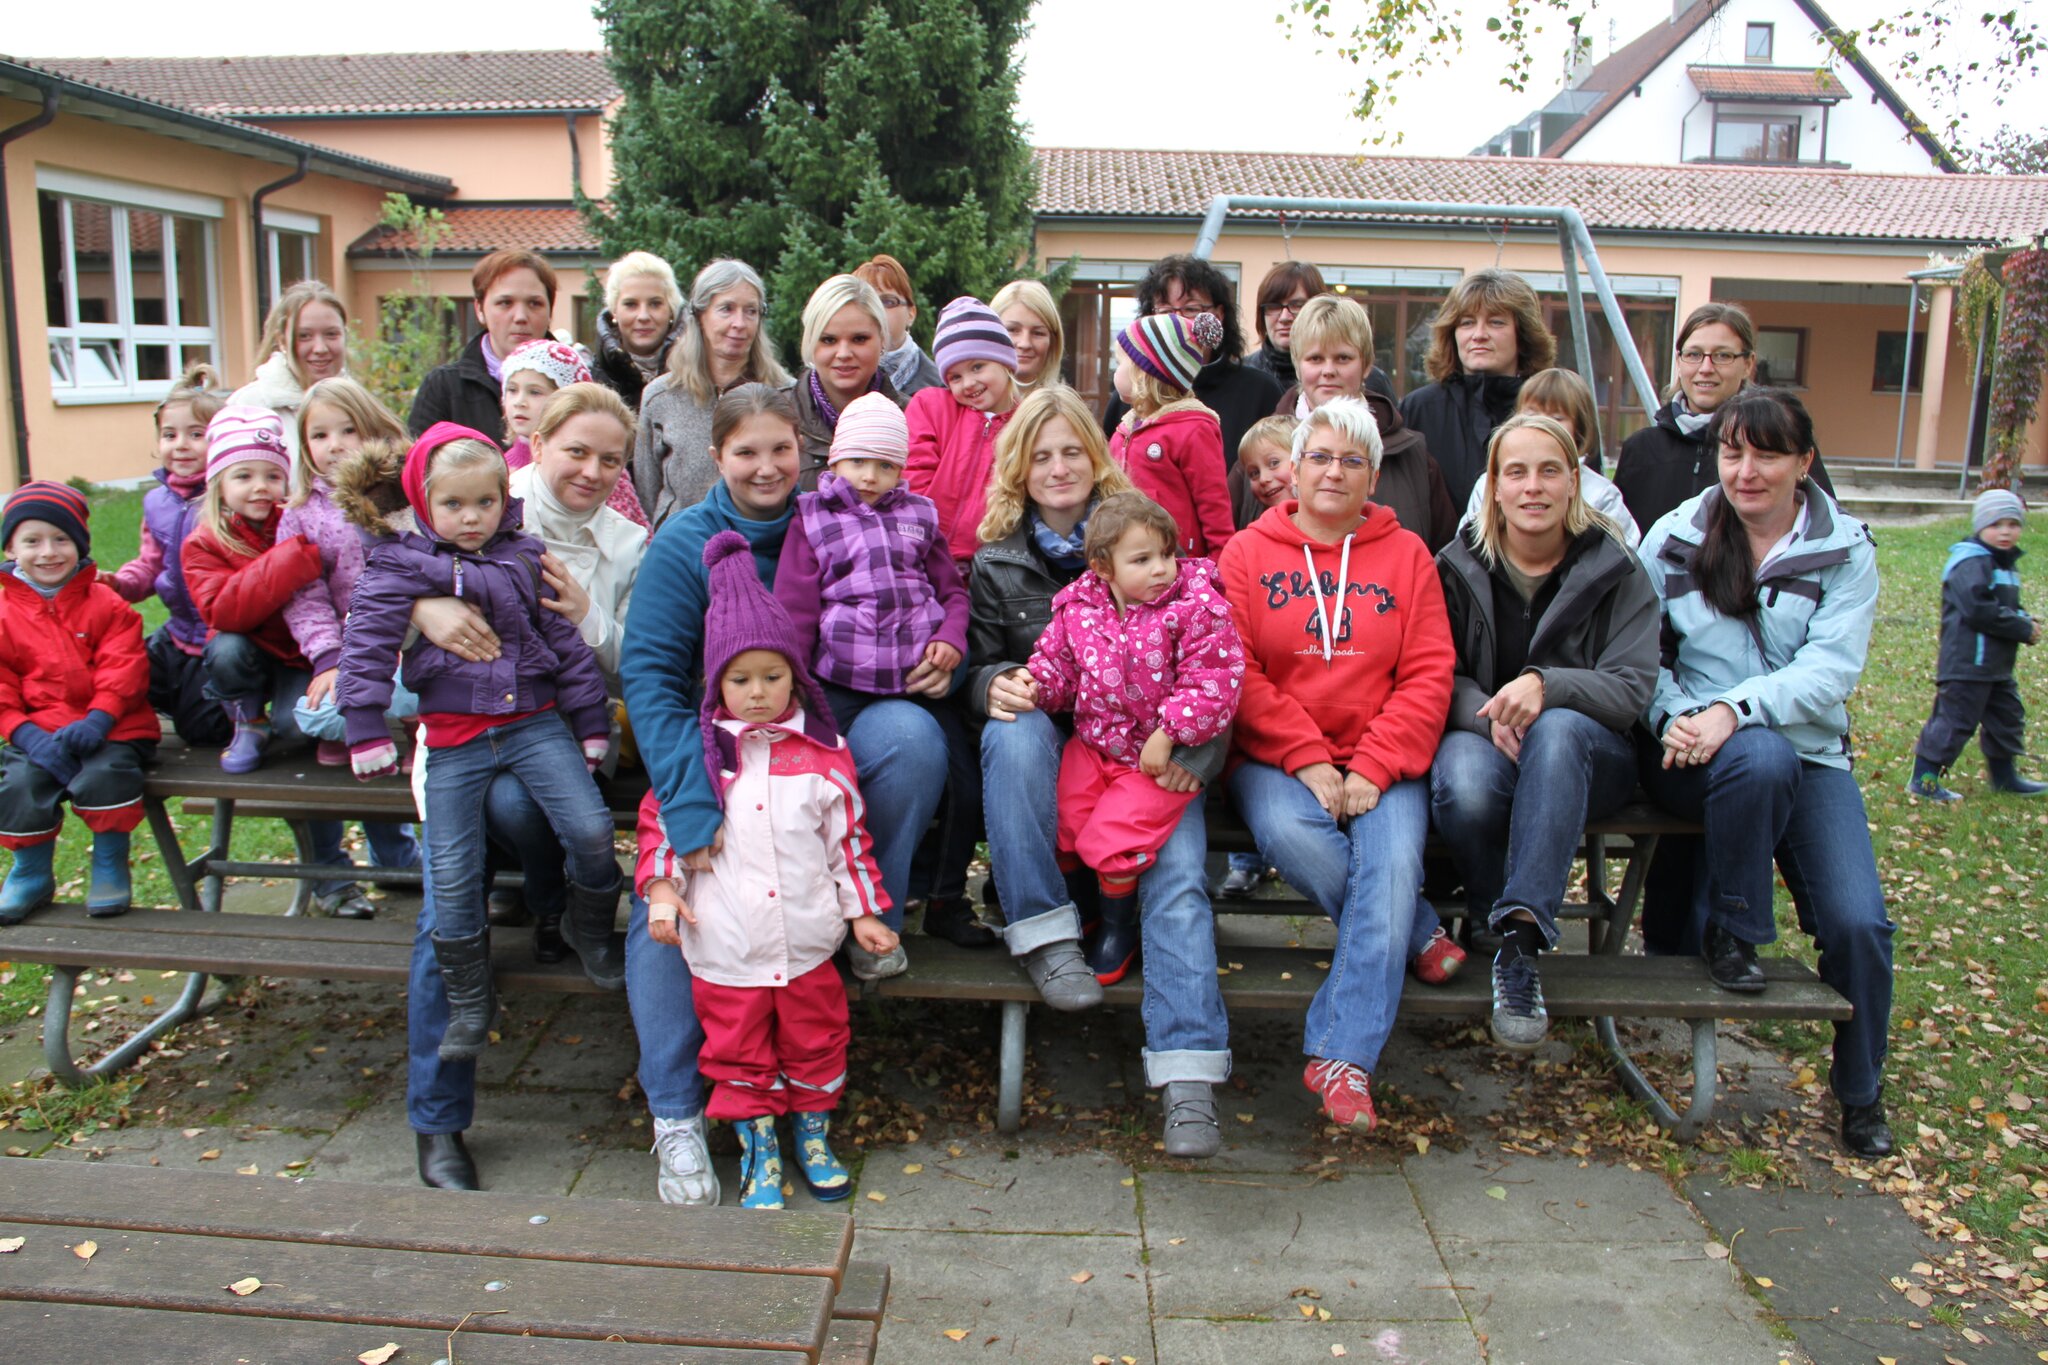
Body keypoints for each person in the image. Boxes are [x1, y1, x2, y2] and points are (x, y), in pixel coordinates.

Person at [391, 384, 651, 1195]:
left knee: (525, 806)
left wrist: (588, 620)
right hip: (462, 742)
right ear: (535, 443)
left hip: (561, 736)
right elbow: (382, 591)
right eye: (577, 450)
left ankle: (555, 909)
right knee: (444, 909)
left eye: (611, 459)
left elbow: (633, 666)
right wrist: (427, 607)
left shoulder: (627, 541)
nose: (592, 470)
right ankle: (439, 1122)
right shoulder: (476, 505)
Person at [969, 385, 1232, 1157]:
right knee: (1009, 736)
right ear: (1018, 467)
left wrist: (1189, 746)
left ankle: (1187, 1079)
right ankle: (1050, 936)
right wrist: (995, 683)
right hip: (1069, 757)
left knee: (1178, 875)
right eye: (1040, 454)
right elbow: (994, 661)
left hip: (1156, 756)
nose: (1057, 467)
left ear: (1098, 456)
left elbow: (1217, 668)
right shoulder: (999, 559)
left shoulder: (1165, 560)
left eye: (1072, 451)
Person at [1634, 387, 1894, 1159]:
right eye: (1732, 452)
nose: (1747, 471)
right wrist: (1673, 715)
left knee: (1859, 923)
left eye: (1767, 454)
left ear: (1804, 461)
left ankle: (1861, 1093)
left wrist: (1733, 711)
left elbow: (1828, 674)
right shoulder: (1675, 537)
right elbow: (1637, 648)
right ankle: (1734, 931)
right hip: (1688, 754)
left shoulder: (1846, 550)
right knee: (1754, 754)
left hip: (1806, 756)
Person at [622, 382, 950, 986]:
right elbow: (652, 680)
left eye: (781, 449)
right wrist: (690, 798)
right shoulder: (685, 545)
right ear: (716, 457)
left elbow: (920, 588)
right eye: (746, 453)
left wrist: (940, 645)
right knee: (677, 933)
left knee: (912, 736)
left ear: (804, 448)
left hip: (825, 727)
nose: (767, 468)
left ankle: (864, 918)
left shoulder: (837, 521)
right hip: (726, 747)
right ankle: (674, 1073)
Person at [336, 422, 625, 1062]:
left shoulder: (522, 556)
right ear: (422, 504)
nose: (471, 518)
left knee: (590, 829)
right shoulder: (398, 568)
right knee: (453, 872)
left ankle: (592, 930)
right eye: (453, 504)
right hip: (455, 740)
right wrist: (363, 725)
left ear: (505, 498)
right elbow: (364, 647)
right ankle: (469, 1001)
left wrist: (591, 722)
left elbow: (565, 646)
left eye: (485, 502)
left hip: (534, 722)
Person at [637, 530, 901, 1210]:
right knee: (739, 1054)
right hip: (727, 950)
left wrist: (864, 910)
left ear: (796, 675)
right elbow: (660, 828)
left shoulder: (821, 755)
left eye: (773, 676)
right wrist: (662, 895)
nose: (757, 693)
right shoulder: (696, 761)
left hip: (807, 943)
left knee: (818, 1040)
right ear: (716, 682)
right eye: (740, 679)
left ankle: (812, 1134)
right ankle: (759, 1150)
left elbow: (848, 843)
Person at [1218, 397, 1455, 1133]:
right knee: (1298, 840)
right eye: (1319, 456)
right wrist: (1307, 756)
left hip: (1384, 760)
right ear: (1294, 466)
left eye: (1352, 460)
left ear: (1373, 474)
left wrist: (1374, 767)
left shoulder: (1408, 555)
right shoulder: (1247, 554)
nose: (1333, 471)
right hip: (1275, 758)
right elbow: (1239, 671)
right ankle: (1415, 926)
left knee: (1388, 856)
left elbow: (1427, 674)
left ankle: (1341, 1055)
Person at [1430, 414, 1658, 1051]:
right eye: (1516, 472)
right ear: (1494, 487)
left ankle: (1521, 945)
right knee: (1465, 785)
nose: (1533, 487)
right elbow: (1430, 671)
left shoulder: (1616, 569)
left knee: (1557, 731)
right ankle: (1489, 913)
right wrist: (1491, 710)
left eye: (1549, 471)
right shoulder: (1453, 566)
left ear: (1574, 484)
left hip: (1589, 756)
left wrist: (1547, 686)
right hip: (1481, 737)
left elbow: (1633, 686)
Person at [774, 393, 992, 948]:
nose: (870, 476)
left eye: (886, 464)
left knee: (964, 786)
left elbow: (952, 592)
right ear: (835, 460)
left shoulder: (918, 516)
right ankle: (823, 907)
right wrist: (795, 686)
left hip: (916, 681)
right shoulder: (812, 516)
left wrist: (948, 638)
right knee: (822, 782)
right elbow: (796, 605)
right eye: (858, 461)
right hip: (837, 681)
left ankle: (945, 898)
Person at [1025, 491, 1244, 983]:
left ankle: (1119, 933)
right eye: (1142, 560)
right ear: (1104, 568)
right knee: (1069, 826)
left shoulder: (1195, 606)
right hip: (1097, 745)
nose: (1162, 569)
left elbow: (1214, 677)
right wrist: (1035, 685)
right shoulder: (1079, 607)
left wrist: (1169, 733)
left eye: (1166, 554)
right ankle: (1089, 912)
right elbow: (1058, 666)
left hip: (1153, 762)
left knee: (1113, 841)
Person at [182, 405, 386, 918]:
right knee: (226, 645)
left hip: (303, 657)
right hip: (250, 665)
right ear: (217, 484)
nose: (259, 487)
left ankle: (391, 854)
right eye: (243, 475)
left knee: (307, 733)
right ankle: (247, 722)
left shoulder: (301, 512)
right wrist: (291, 558)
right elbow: (224, 610)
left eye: (271, 474)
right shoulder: (206, 540)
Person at [0, 483, 159, 922]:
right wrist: (25, 734)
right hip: (37, 730)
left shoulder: (108, 605)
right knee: (19, 785)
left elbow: (124, 669)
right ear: (12, 547)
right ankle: (30, 872)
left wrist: (98, 720)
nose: (48, 552)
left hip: (110, 726)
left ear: (80, 545)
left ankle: (109, 864)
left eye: (61, 539)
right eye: (32, 541)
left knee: (106, 774)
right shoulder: (3, 613)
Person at [279, 377, 420, 767]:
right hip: (348, 645)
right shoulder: (301, 513)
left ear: (371, 430)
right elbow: (305, 598)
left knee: (415, 684)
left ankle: (416, 728)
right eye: (319, 435)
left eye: (348, 430)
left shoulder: (400, 492)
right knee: (317, 711)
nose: (335, 444)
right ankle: (345, 729)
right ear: (305, 445)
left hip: (409, 635)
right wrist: (329, 655)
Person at [1613, 303, 1834, 533]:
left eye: (1722, 355)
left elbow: (1824, 529)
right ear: (1679, 362)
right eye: (1694, 354)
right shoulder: (1641, 449)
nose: (1706, 368)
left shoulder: (1782, 442)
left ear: (1748, 364)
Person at [108, 362, 232, 748]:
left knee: (203, 732)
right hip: (176, 632)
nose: (181, 445)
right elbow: (149, 563)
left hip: (217, 635)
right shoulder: (156, 501)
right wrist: (121, 584)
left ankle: (235, 708)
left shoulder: (228, 499)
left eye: (197, 435)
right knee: (124, 684)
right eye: (169, 434)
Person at [1277, 294, 1456, 551]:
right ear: (1297, 365)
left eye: (1343, 358)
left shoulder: (1412, 454)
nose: (1328, 370)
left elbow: (1441, 557)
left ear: (1367, 365)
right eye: (1315, 358)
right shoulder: (1261, 451)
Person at [1906, 488, 2045, 800]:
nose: (2005, 531)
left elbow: (2003, 607)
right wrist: (2022, 628)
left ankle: (2004, 777)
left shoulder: (2003, 563)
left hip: (1996, 667)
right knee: (1953, 723)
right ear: (1980, 526)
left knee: (2006, 718)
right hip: (1968, 664)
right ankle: (1924, 781)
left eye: (2013, 524)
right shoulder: (1971, 562)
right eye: (1996, 524)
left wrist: (2024, 618)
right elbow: (1980, 610)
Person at [634, 259, 792, 527]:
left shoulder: (785, 393)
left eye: (750, 311)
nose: (739, 323)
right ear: (700, 315)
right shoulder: (661, 396)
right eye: (726, 309)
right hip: (682, 548)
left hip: (763, 545)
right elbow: (647, 492)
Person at [1216, 414, 1297, 900]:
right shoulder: (1251, 540)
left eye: (1274, 464)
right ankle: (1245, 861)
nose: (1264, 479)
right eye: (1253, 473)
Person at [1101, 255, 1283, 468]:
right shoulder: (1132, 394)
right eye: (1165, 311)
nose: (1178, 320)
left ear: (1219, 315)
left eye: (1191, 309)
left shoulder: (1259, 391)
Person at [1399, 269, 1556, 509]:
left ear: (1522, 335)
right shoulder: (1419, 409)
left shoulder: (1552, 409)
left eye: (1495, 322)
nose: (1479, 335)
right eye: (1467, 323)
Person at [1460, 368, 1638, 548]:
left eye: (1556, 418)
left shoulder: (1601, 495)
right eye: (1532, 416)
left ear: (1579, 428)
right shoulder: (1487, 485)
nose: (1541, 426)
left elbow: (1625, 558)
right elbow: (1468, 547)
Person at [1108, 311, 1235, 559]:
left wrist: (1220, 570)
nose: (1115, 371)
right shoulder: (1122, 432)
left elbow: (1214, 506)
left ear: (1143, 372)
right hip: (1124, 562)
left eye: (1119, 362)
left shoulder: (1192, 429)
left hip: (1178, 566)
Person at [907, 296, 1022, 564]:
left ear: (1005, 362)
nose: (968, 383)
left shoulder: (1026, 422)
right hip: (923, 555)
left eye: (977, 367)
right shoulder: (931, 407)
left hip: (990, 563)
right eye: (955, 377)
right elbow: (914, 473)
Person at [409, 250, 558, 438]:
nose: (520, 317)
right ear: (480, 309)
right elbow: (417, 464)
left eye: (534, 304)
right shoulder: (443, 389)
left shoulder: (579, 387)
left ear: (550, 311)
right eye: (505, 303)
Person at [501, 340, 648, 527]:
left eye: (535, 392)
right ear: (538, 446)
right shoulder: (500, 464)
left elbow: (622, 539)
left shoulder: (606, 478)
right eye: (512, 390)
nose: (519, 402)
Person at [794, 275, 905, 485]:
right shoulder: (777, 417)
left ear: (882, 339)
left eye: (859, 339)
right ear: (809, 341)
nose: (843, 353)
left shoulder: (915, 418)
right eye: (829, 340)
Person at [231, 280, 350, 464]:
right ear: (282, 341)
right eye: (304, 336)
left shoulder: (362, 408)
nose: (320, 348)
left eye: (331, 334)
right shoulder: (247, 408)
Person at [591, 250, 685, 412]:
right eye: (631, 304)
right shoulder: (591, 379)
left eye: (655, 304)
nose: (643, 316)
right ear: (614, 311)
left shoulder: (698, 374)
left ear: (671, 310)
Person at [856, 254, 942, 397]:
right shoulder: (831, 380)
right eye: (866, 303)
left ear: (911, 314)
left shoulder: (939, 388)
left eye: (888, 302)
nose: (877, 311)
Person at [992, 279, 1065, 392]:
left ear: (1053, 342)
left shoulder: (1062, 408)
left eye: (1038, 333)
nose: (1025, 343)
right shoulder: (961, 403)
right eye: (1012, 330)